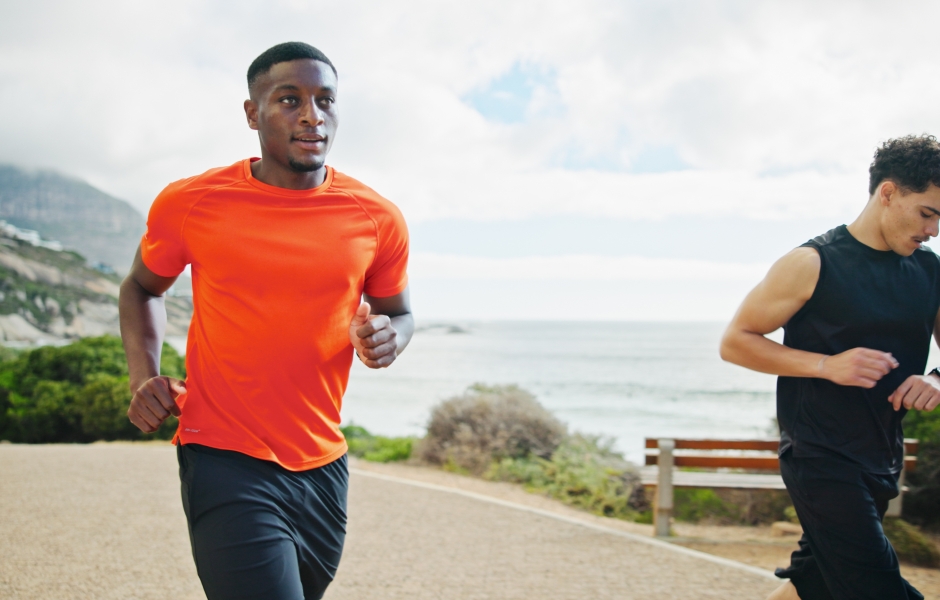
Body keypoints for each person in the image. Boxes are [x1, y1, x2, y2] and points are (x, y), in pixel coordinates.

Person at [119, 41, 413, 600]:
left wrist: (388, 338)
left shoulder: (376, 218)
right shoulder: (193, 203)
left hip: (323, 461)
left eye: (325, 100)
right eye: (288, 99)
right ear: (252, 114)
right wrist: (143, 377)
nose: (311, 115)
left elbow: (399, 312)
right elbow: (139, 288)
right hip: (222, 453)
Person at [720, 134, 940, 600]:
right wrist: (826, 365)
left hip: (881, 456)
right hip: (819, 456)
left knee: (814, 584)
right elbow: (736, 342)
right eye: (928, 212)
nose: (934, 230)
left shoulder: (930, 272)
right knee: (879, 589)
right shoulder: (812, 263)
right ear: (888, 192)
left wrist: (937, 379)